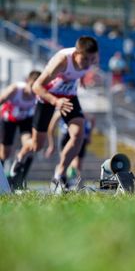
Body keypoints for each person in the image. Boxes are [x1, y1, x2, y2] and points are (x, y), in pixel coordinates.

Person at [10, 36, 99, 192]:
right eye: (85, 59)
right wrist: (55, 102)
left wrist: (82, 77)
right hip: (47, 96)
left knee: (78, 135)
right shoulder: (62, 61)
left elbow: (83, 68)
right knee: (37, 146)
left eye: (92, 59)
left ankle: (59, 173)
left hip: (69, 96)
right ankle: (20, 156)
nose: (88, 63)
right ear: (76, 54)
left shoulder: (90, 59)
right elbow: (37, 86)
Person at [0, 70, 41, 168]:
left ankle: (19, 161)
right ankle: (2, 174)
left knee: (29, 144)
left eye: (36, 87)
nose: (33, 90)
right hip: (9, 119)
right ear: (27, 81)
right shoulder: (15, 89)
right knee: (5, 152)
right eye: (31, 86)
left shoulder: (39, 93)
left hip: (25, 120)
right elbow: (1, 99)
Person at [48, 111, 95, 182]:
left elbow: (92, 118)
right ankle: (59, 179)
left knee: (77, 164)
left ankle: (76, 182)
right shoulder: (59, 112)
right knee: (64, 161)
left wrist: (89, 135)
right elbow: (51, 128)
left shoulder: (80, 111)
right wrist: (51, 144)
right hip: (66, 136)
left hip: (80, 137)